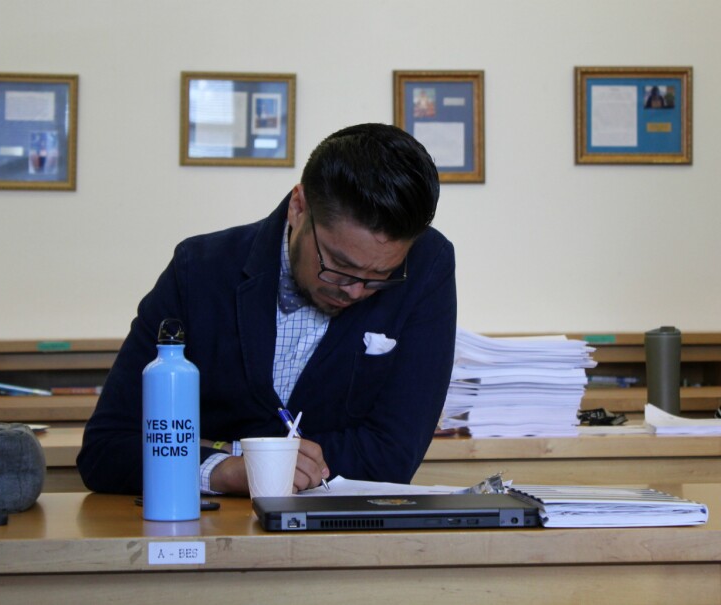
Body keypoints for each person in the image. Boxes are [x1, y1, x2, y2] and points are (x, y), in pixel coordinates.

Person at [77, 123, 457, 495]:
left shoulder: (427, 265)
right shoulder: (200, 269)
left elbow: (391, 458)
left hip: (343, 541)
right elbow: (108, 448)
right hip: (203, 535)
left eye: (380, 276)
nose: (357, 291)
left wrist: (226, 448)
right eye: (339, 267)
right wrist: (222, 470)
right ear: (298, 207)